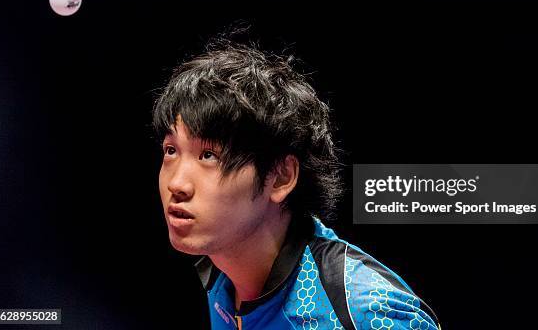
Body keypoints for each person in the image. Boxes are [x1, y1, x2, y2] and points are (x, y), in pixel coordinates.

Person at [153, 38, 440, 330]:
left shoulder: (369, 312)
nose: (177, 183)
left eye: (209, 155)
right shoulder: (222, 279)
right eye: (171, 151)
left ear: (280, 177)